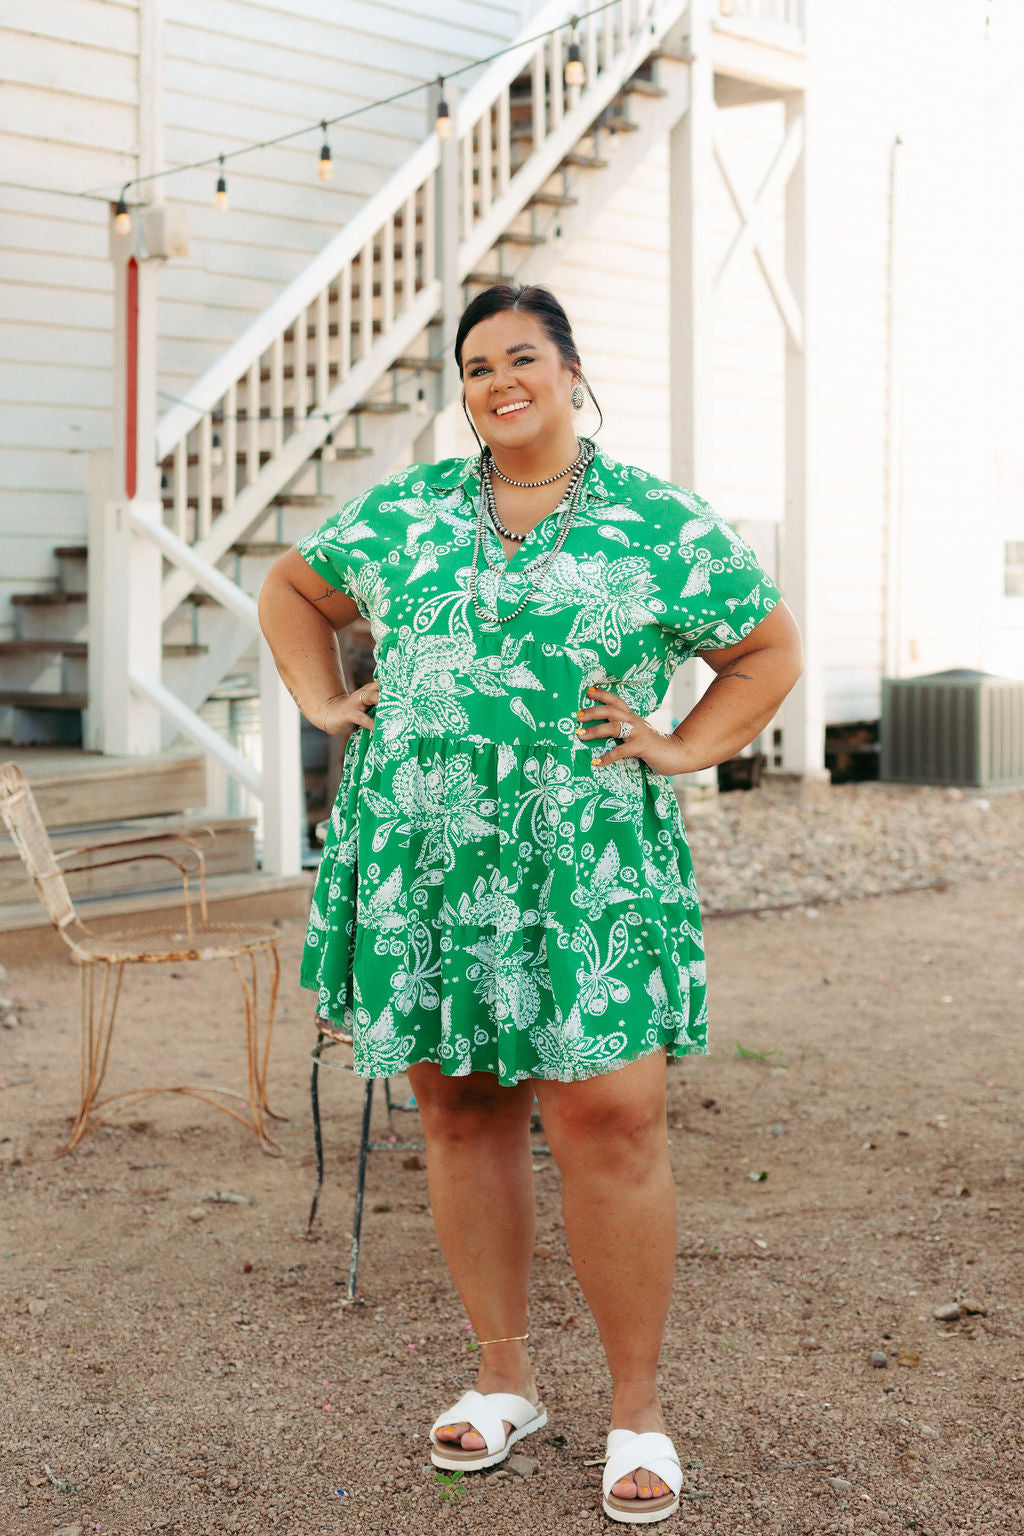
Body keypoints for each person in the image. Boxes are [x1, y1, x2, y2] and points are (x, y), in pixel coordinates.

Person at [257, 283, 803, 1524]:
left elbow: (765, 651)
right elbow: (294, 591)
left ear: (568, 370)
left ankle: (635, 1412)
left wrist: (679, 744)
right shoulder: (406, 511)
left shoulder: (655, 521)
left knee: (610, 1118)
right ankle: (504, 1381)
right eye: (473, 367)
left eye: (520, 358)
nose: (496, 382)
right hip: (428, 860)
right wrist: (320, 698)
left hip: (583, 866)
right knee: (457, 1109)